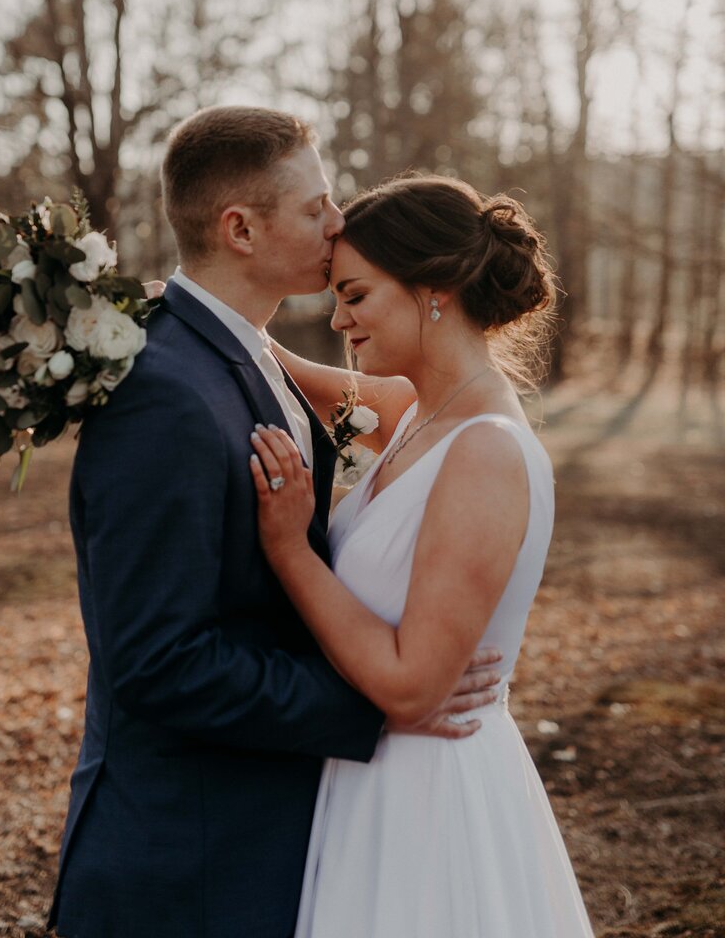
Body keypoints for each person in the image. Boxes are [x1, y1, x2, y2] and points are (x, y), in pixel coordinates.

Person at [48, 107, 501, 938]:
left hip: (264, 843)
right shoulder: (164, 395)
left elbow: (425, 409)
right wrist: (376, 702)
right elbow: (157, 662)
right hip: (185, 868)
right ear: (240, 229)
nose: (338, 223)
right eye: (315, 207)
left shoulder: (239, 355)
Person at [249, 174, 596, 937]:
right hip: (368, 779)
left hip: (431, 798)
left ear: (434, 288)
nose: (339, 318)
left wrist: (290, 548)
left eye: (356, 295)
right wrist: (205, 313)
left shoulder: (487, 454)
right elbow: (296, 376)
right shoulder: (418, 413)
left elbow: (411, 687)